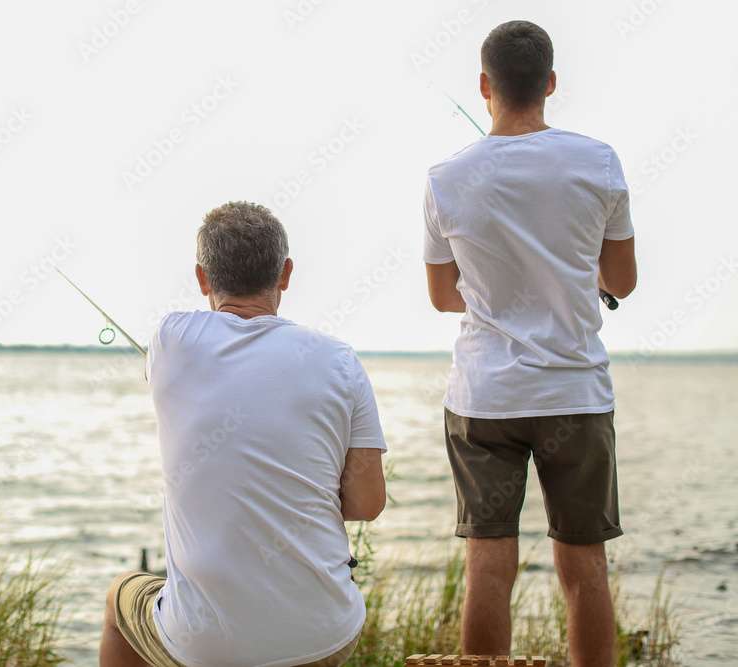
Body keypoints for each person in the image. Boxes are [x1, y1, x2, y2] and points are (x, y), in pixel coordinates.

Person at [422, 20, 637, 665]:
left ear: (485, 86)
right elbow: (622, 280)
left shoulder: (445, 179)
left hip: (484, 398)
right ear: (549, 83)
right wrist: (572, 279)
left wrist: (496, 297)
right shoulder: (598, 161)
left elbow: (441, 295)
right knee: (584, 567)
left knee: (489, 562)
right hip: (574, 392)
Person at [100, 200, 387, 667]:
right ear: (285, 273)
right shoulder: (339, 360)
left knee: (120, 598)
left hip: (204, 647)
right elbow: (366, 504)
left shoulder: (172, 339)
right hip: (322, 638)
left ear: (202, 279)